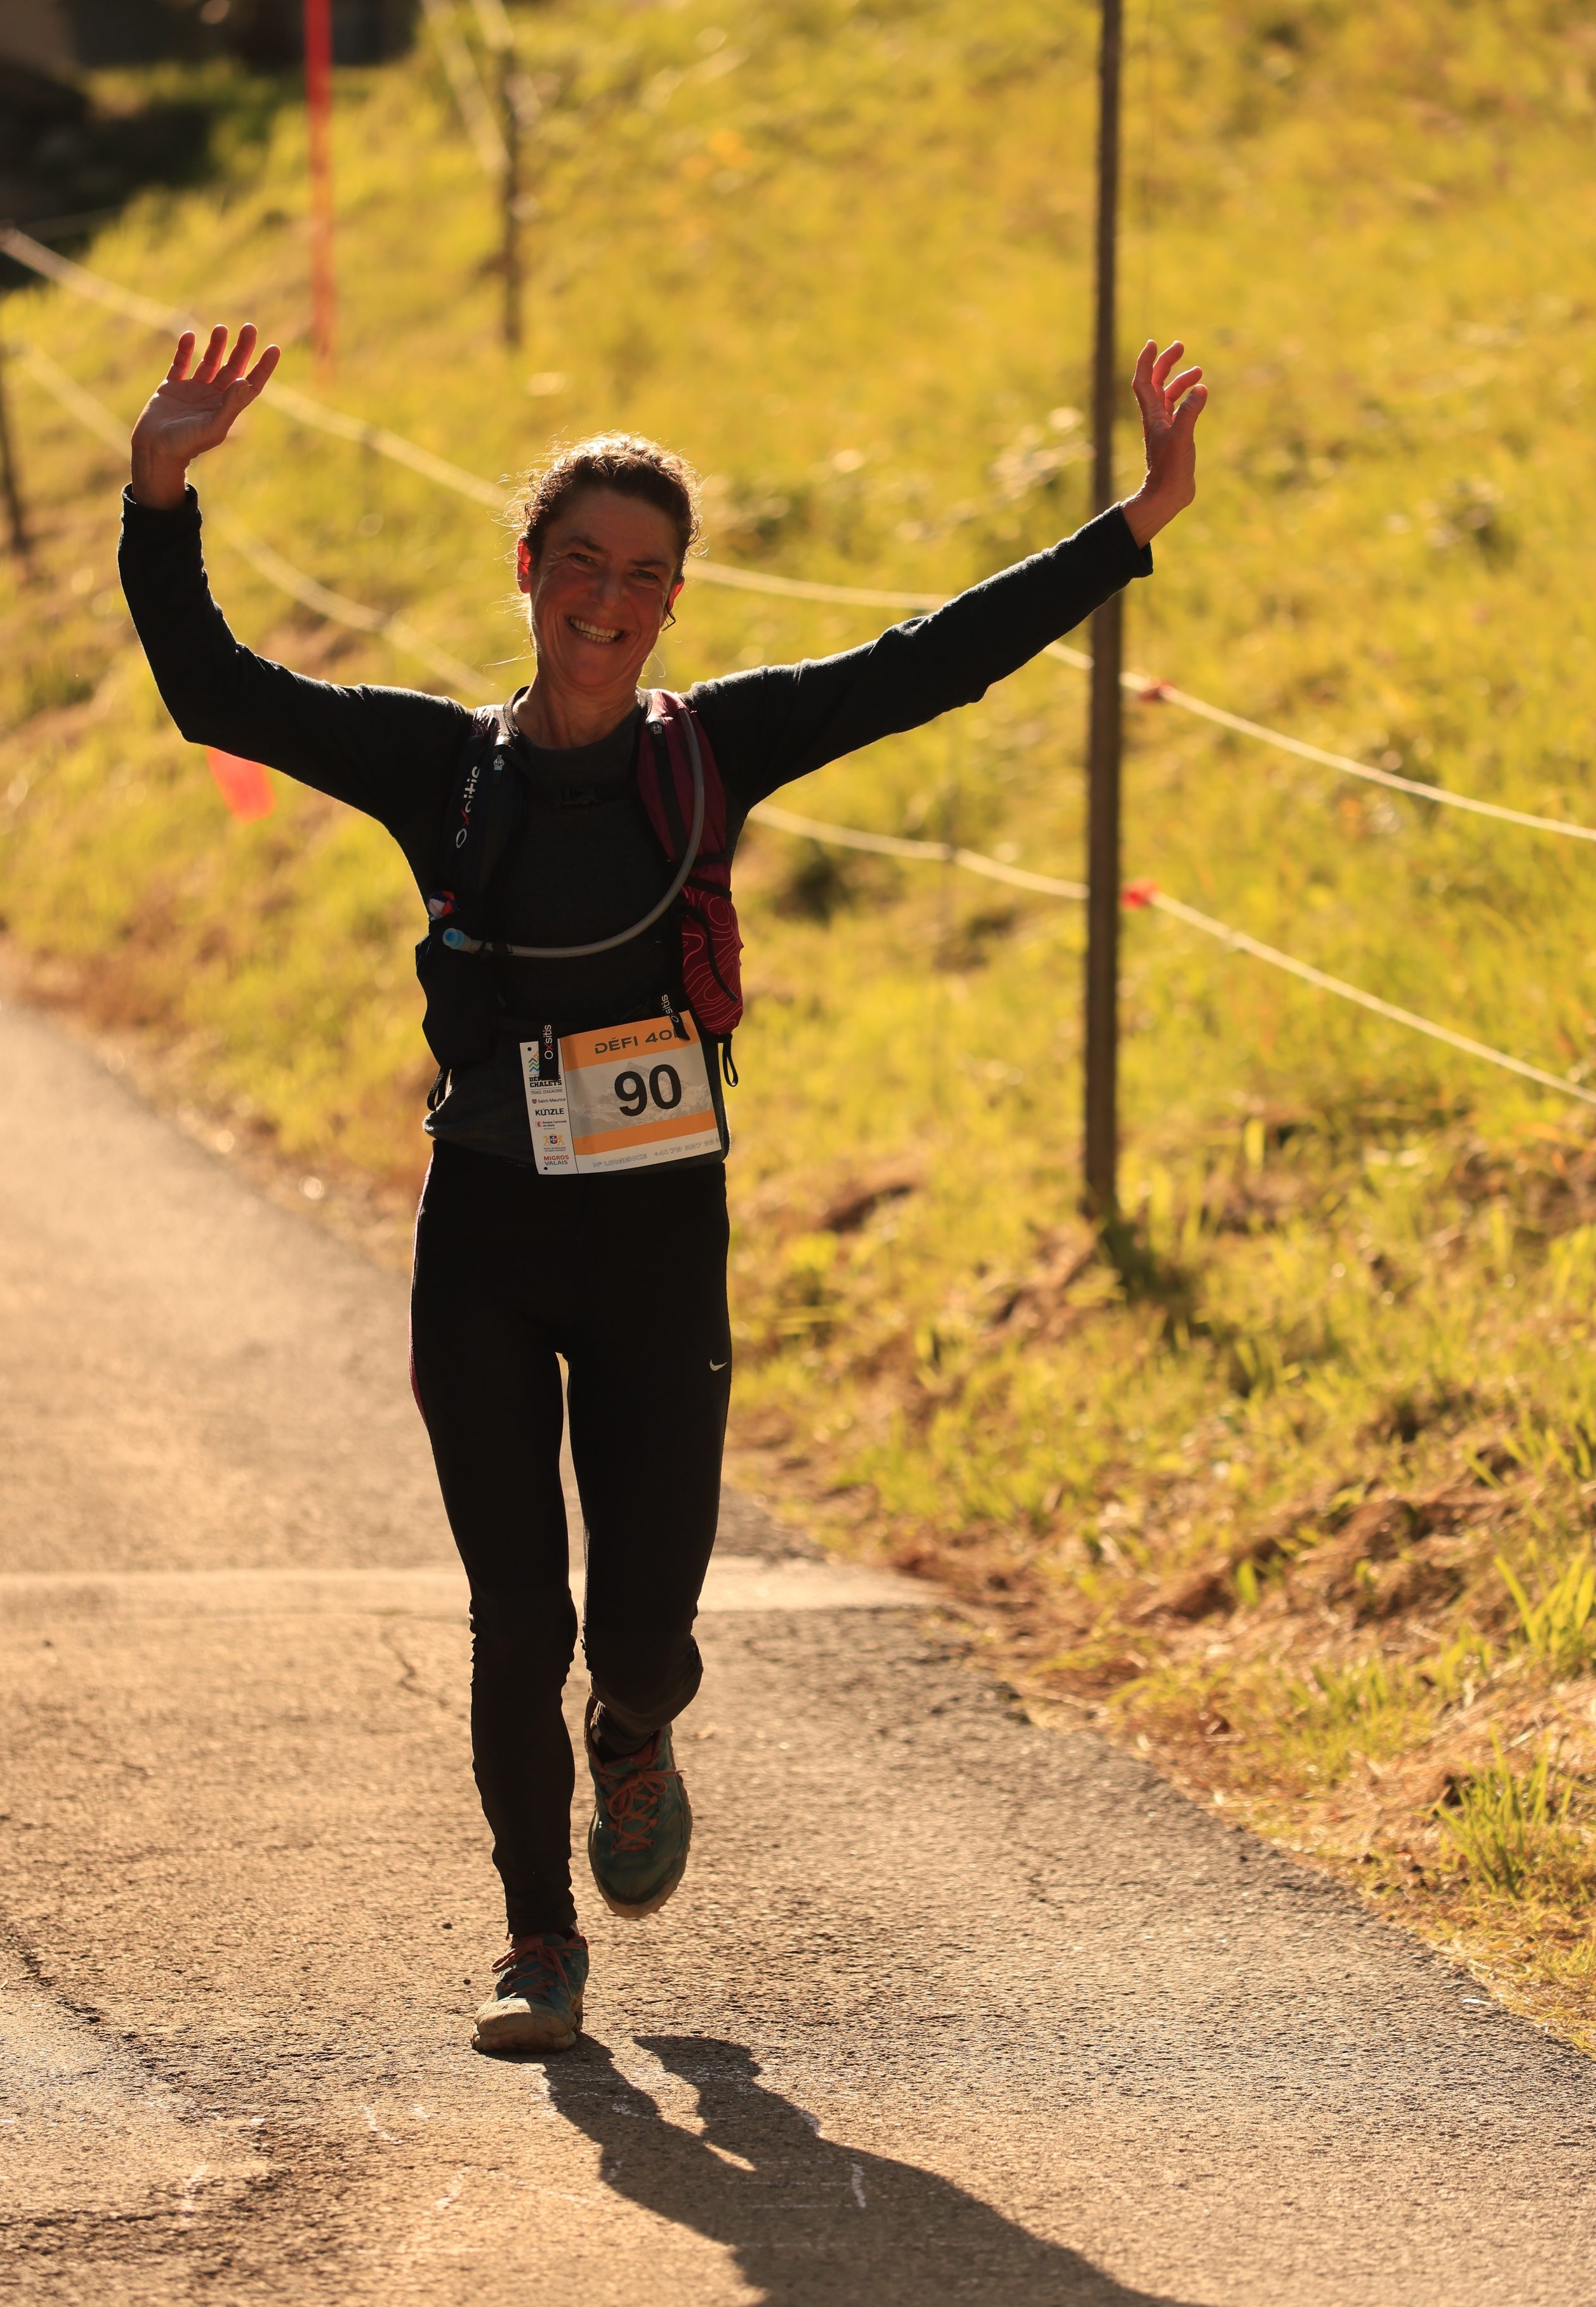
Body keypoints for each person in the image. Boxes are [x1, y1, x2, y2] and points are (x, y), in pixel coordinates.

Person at [119, 324, 1206, 2056]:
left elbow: (933, 661)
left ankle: (635, 1734)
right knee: (515, 1614)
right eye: (580, 563)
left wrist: (1133, 521)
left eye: (642, 576)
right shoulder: (441, 769)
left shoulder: (713, 752)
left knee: (637, 1632)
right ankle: (536, 1943)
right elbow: (219, 695)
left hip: (656, 1243)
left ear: (673, 602)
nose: (606, 601)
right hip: (485, 1234)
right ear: (527, 571)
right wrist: (159, 494)